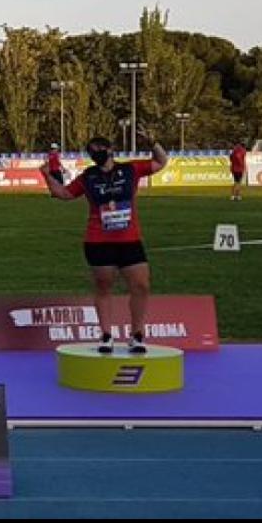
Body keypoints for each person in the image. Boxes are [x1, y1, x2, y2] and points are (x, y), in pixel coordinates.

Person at [40, 130, 168, 355]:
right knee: (103, 286)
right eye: (92, 152)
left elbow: (161, 162)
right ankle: (106, 335)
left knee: (141, 286)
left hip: (130, 240)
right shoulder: (88, 177)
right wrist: (46, 175)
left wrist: (152, 142)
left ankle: (137, 335)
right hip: (98, 240)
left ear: (110, 150)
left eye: (100, 150)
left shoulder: (130, 169)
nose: (96, 154)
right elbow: (64, 194)